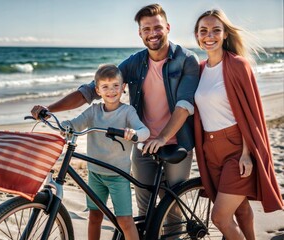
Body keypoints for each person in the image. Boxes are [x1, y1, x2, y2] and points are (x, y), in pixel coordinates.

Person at [31, 3, 200, 216]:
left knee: (172, 209)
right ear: (140, 33)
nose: (152, 33)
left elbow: (184, 105)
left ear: (167, 27)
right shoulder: (136, 62)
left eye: (157, 27)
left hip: (176, 142)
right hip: (143, 143)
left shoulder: (186, 59)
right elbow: (92, 90)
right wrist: (49, 109)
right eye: (146, 29)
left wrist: (163, 137)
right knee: (144, 208)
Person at [193, 9, 284, 240]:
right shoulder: (199, 69)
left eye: (216, 30)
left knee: (220, 218)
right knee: (241, 208)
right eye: (203, 31)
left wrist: (246, 153)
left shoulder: (237, 65)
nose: (209, 35)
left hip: (236, 148)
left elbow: (250, 114)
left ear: (225, 34)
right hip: (209, 149)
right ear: (197, 36)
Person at [60, 64, 150, 240]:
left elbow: (144, 131)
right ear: (98, 90)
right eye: (105, 87)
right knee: (94, 217)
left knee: (124, 220)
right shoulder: (93, 112)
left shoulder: (127, 112)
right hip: (95, 174)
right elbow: (75, 124)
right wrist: (65, 126)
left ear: (123, 87)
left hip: (118, 175)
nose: (111, 91)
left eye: (116, 85)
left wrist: (134, 134)